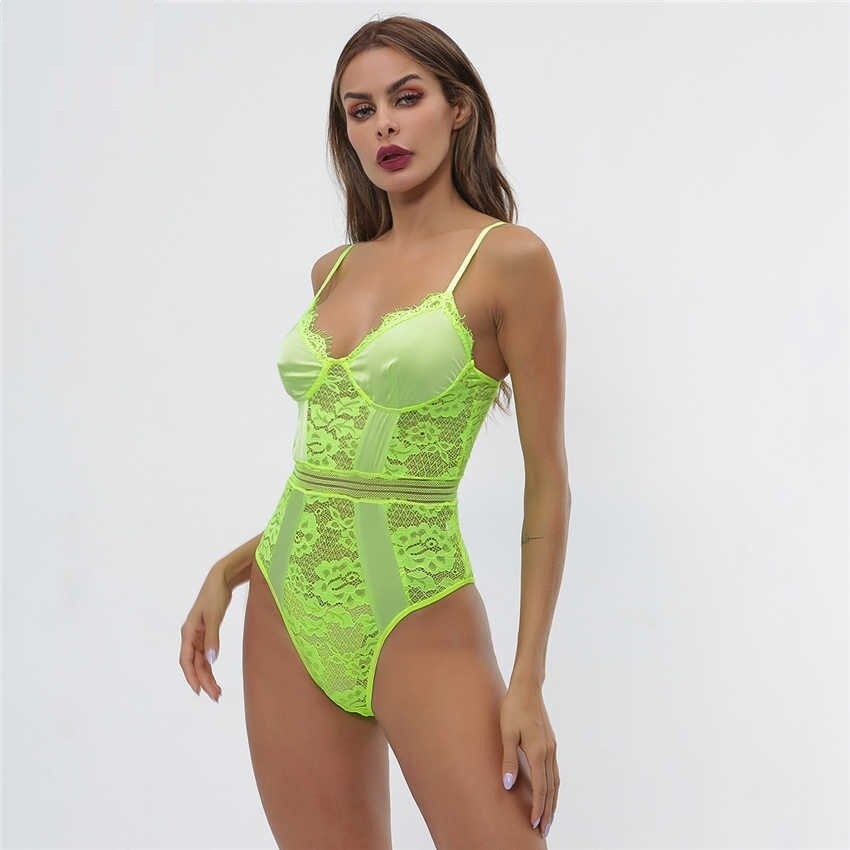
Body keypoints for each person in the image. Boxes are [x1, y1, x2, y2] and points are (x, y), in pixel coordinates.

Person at [179, 14, 570, 849]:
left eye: (406, 98)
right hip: (285, 601)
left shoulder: (509, 260)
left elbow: (548, 483)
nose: (384, 125)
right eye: (361, 111)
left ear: (458, 108)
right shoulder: (335, 270)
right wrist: (230, 567)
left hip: (419, 610)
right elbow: (331, 472)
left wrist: (528, 682)